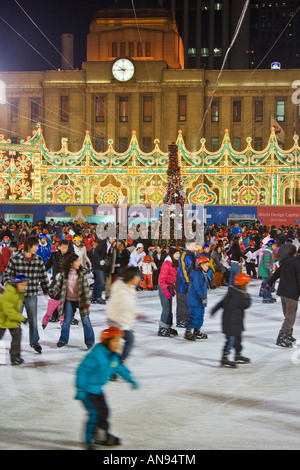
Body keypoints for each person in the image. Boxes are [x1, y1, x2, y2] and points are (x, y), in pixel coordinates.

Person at [75, 326, 138, 450]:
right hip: (87, 391)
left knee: (104, 412)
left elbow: (120, 368)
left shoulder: (113, 356)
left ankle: (101, 435)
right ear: (106, 341)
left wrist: (130, 379)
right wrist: (80, 389)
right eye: (114, 341)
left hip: (97, 390)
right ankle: (88, 442)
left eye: (119, 341)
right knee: (94, 414)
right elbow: (82, 371)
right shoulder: (97, 355)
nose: (117, 344)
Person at [3, 236, 49, 354]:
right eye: (36, 246)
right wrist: (10, 287)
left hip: (32, 295)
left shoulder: (38, 260)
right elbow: (7, 274)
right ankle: (15, 345)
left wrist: (47, 289)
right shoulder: (16, 258)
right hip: (17, 296)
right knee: (14, 319)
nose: (37, 248)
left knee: (33, 320)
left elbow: (43, 277)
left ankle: (34, 342)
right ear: (29, 246)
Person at [51, 253, 95, 350]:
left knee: (86, 321)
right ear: (71, 263)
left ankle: (90, 341)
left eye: (79, 261)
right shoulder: (64, 274)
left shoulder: (81, 273)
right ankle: (63, 340)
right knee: (66, 321)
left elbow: (85, 289)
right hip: (69, 300)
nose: (79, 263)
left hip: (81, 300)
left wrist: (87, 302)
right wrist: (52, 291)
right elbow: (58, 285)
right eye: (77, 261)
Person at [210, 273, 252, 368]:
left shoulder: (232, 292)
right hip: (232, 323)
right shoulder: (240, 295)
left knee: (237, 339)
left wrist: (214, 310)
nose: (248, 286)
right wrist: (247, 296)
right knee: (231, 340)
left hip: (233, 322)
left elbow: (221, 303)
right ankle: (224, 357)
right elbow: (246, 305)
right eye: (247, 284)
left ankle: (238, 354)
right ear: (243, 284)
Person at [266, 244, 300, 348]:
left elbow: (277, 273)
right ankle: (283, 337)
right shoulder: (297, 263)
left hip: (283, 292)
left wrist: (268, 284)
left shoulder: (287, 261)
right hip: (291, 293)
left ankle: (288, 334)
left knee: (288, 315)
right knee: (290, 316)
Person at [106, 266, 140, 362]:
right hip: (118, 323)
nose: (139, 278)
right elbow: (112, 307)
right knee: (126, 342)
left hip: (125, 323)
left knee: (120, 346)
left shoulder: (131, 289)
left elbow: (131, 306)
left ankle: (116, 365)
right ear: (131, 277)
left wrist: (137, 313)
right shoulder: (121, 292)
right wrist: (115, 322)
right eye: (137, 276)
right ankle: (116, 365)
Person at [0, 275, 28, 365]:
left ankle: (15, 357)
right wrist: (22, 318)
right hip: (2, 320)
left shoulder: (19, 293)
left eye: (25, 285)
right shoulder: (8, 294)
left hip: (12, 320)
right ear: (16, 284)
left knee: (17, 336)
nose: (24, 287)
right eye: (22, 285)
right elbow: (9, 311)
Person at [157, 246, 181, 337]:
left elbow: (172, 278)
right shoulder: (167, 264)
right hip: (164, 287)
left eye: (179, 253)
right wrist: (165, 291)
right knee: (166, 308)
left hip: (169, 287)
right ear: (171, 254)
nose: (178, 255)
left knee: (169, 309)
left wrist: (172, 288)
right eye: (176, 253)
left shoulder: (174, 263)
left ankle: (167, 326)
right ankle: (162, 328)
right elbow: (161, 280)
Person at [185, 256, 210, 341]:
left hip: (201, 299)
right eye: (206, 265)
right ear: (201, 265)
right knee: (194, 316)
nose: (208, 267)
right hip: (195, 299)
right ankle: (188, 332)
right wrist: (202, 296)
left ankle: (197, 330)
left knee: (200, 316)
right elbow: (196, 286)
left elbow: (204, 282)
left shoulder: (204, 273)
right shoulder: (196, 273)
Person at [175, 239, 197, 328]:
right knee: (182, 302)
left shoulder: (192, 255)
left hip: (190, 283)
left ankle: (187, 319)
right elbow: (182, 270)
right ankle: (181, 320)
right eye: (193, 245)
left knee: (188, 302)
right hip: (182, 284)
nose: (195, 247)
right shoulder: (184, 255)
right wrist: (187, 282)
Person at [258, 238, 277, 303]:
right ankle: (266, 297)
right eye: (274, 245)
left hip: (267, 271)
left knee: (270, 285)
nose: (275, 247)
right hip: (265, 271)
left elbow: (270, 260)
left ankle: (268, 296)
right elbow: (267, 262)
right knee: (268, 285)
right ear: (270, 245)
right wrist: (271, 269)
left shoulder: (269, 251)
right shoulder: (267, 252)